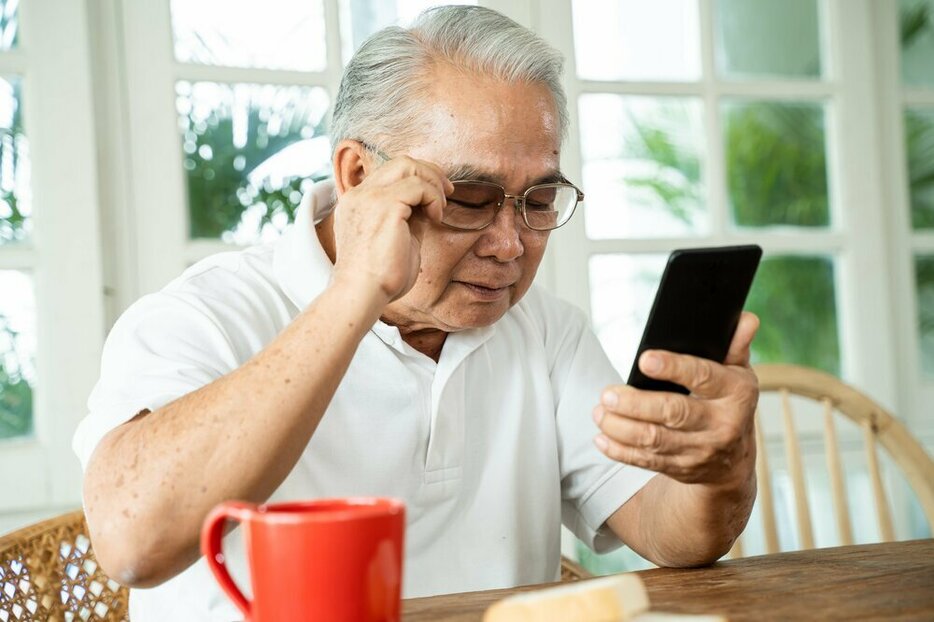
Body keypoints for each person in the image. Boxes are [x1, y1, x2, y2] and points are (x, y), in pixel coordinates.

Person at [74, 5, 760, 620]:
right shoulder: (204, 316)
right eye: (468, 196)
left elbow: (672, 533)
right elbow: (132, 542)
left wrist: (720, 469)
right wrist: (356, 292)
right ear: (357, 177)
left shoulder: (545, 331)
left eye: (539, 199)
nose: (510, 244)